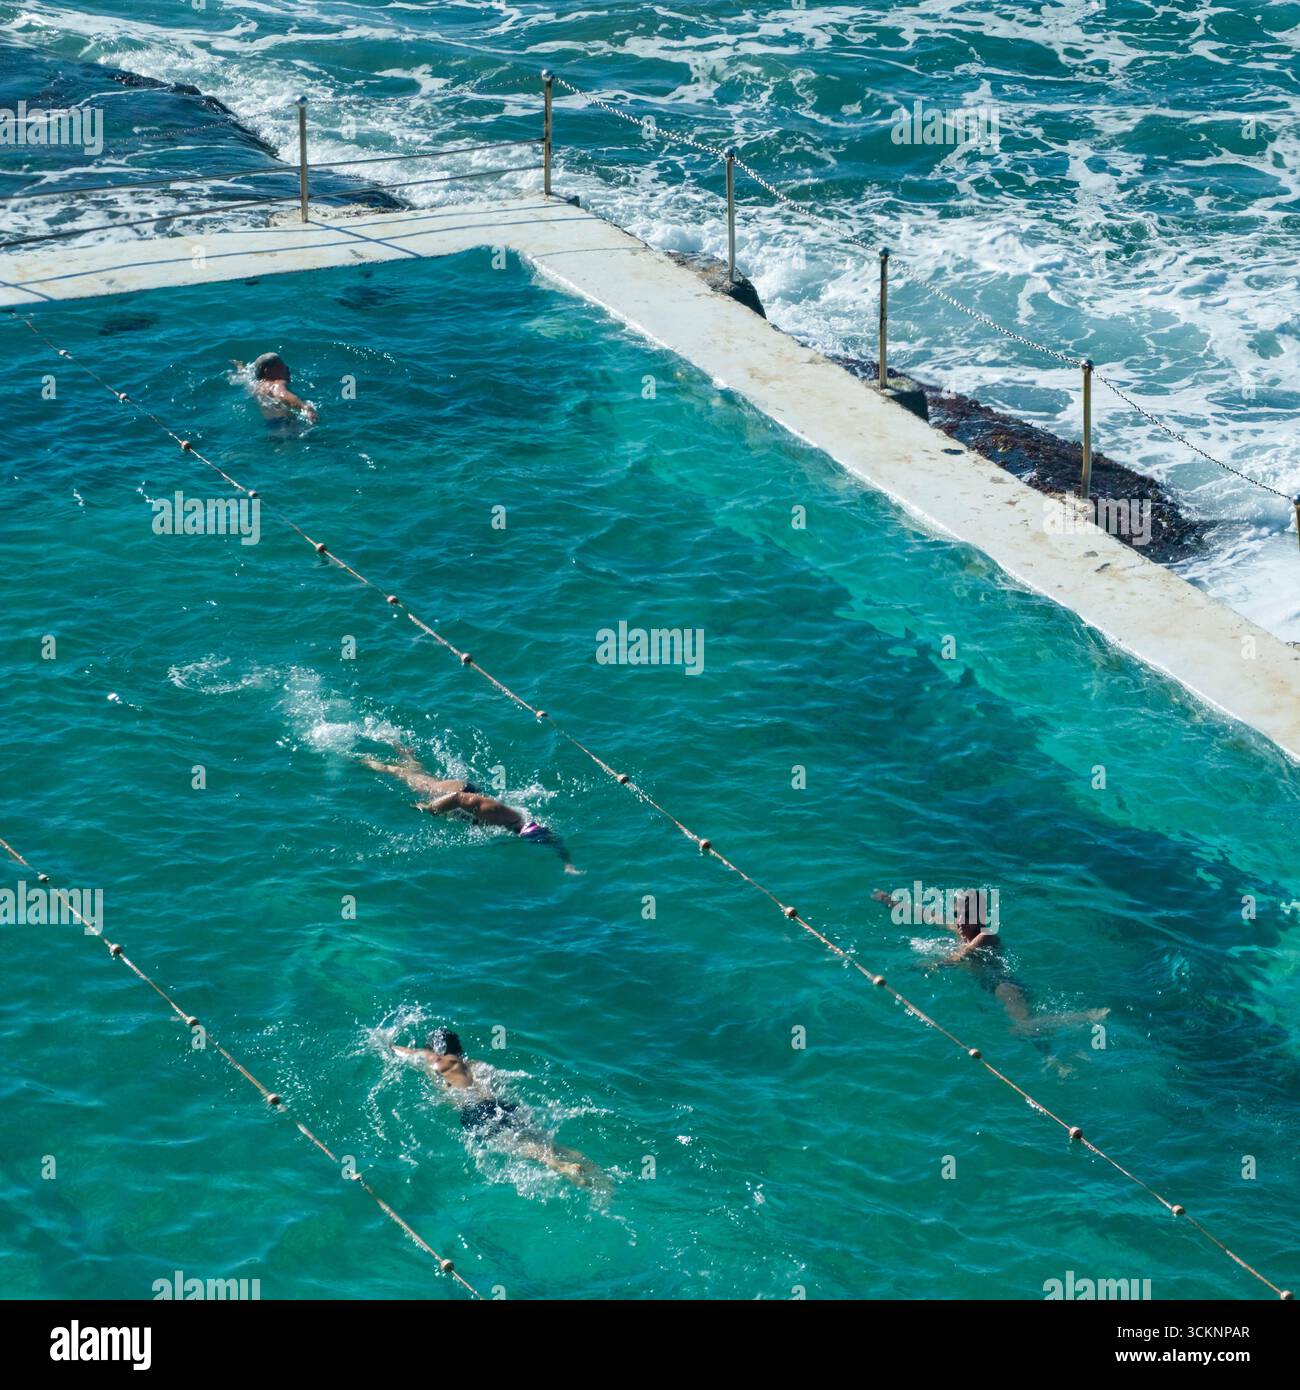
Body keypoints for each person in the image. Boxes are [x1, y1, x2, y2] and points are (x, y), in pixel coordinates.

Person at [873, 887, 1107, 1075]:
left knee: (1022, 1028)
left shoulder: (986, 936)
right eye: (956, 914)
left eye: (963, 916)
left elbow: (956, 958)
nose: (959, 921)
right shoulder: (960, 928)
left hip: (1005, 988)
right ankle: (1055, 1060)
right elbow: (927, 914)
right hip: (988, 986)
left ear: (978, 916)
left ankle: (1087, 1016)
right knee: (1030, 1029)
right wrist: (890, 901)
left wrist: (924, 966)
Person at [390, 1027, 607, 1192]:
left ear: (435, 1048)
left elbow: (408, 1053)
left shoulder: (436, 1060)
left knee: (517, 1146)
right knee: (545, 1142)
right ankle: (587, 1165)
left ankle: (561, 1166)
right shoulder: (476, 1064)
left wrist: (388, 1044)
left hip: (477, 1111)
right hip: (503, 1106)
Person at [358, 741, 579, 872]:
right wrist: (430, 808)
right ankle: (365, 759)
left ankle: (407, 754)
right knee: (407, 776)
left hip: (467, 801)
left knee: (418, 775)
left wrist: (568, 864)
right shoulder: (498, 814)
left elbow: (553, 841)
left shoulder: (520, 825)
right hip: (458, 793)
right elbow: (456, 798)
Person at [231, 351, 318, 423]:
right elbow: (281, 393)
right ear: (268, 371)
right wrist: (305, 407)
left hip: (272, 427)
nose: (287, 368)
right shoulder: (276, 383)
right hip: (287, 426)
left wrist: (240, 366)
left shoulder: (255, 386)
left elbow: (245, 376)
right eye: (281, 366)